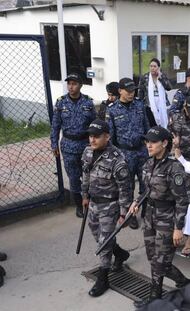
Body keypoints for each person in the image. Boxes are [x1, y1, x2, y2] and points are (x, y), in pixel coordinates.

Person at [129, 126, 190, 308]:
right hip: (150, 215)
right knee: (154, 259)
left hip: (167, 219)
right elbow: (147, 190)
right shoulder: (148, 163)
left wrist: (178, 228)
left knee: (160, 262)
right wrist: (137, 202)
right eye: (147, 142)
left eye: (153, 142)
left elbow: (182, 200)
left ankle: (155, 296)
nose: (148, 145)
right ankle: (184, 282)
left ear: (165, 143)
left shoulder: (174, 168)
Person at [81, 119, 132, 297]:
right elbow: (85, 174)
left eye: (97, 136)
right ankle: (120, 254)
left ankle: (103, 278)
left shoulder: (117, 160)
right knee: (99, 236)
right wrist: (85, 195)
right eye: (90, 136)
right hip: (94, 203)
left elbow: (125, 189)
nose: (92, 140)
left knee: (103, 242)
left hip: (110, 206)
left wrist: (124, 213)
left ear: (107, 136)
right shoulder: (88, 151)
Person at [106, 77, 150, 230]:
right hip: (125, 153)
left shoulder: (139, 105)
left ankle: (146, 210)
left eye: (133, 91)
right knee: (127, 187)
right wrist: (115, 157)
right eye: (128, 91)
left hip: (142, 151)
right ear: (120, 91)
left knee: (146, 183)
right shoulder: (112, 110)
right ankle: (130, 215)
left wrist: (149, 146)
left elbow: (146, 127)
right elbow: (110, 137)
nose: (132, 93)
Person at [50, 73, 96, 218]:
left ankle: (89, 200)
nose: (71, 86)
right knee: (74, 177)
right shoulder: (61, 102)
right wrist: (54, 143)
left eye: (74, 83)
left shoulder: (88, 103)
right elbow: (55, 125)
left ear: (80, 85)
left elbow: (95, 125)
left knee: (88, 175)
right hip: (68, 146)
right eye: (69, 83)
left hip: (85, 145)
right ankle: (78, 205)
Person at [137, 58, 173, 129]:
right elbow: (140, 91)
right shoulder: (145, 77)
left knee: (163, 126)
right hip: (150, 106)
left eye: (154, 66)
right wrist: (140, 104)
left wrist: (161, 78)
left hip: (162, 105)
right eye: (151, 66)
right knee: (152, 126)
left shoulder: (162, 76)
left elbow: (169, 87)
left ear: (158, 67)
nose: (152, 68)